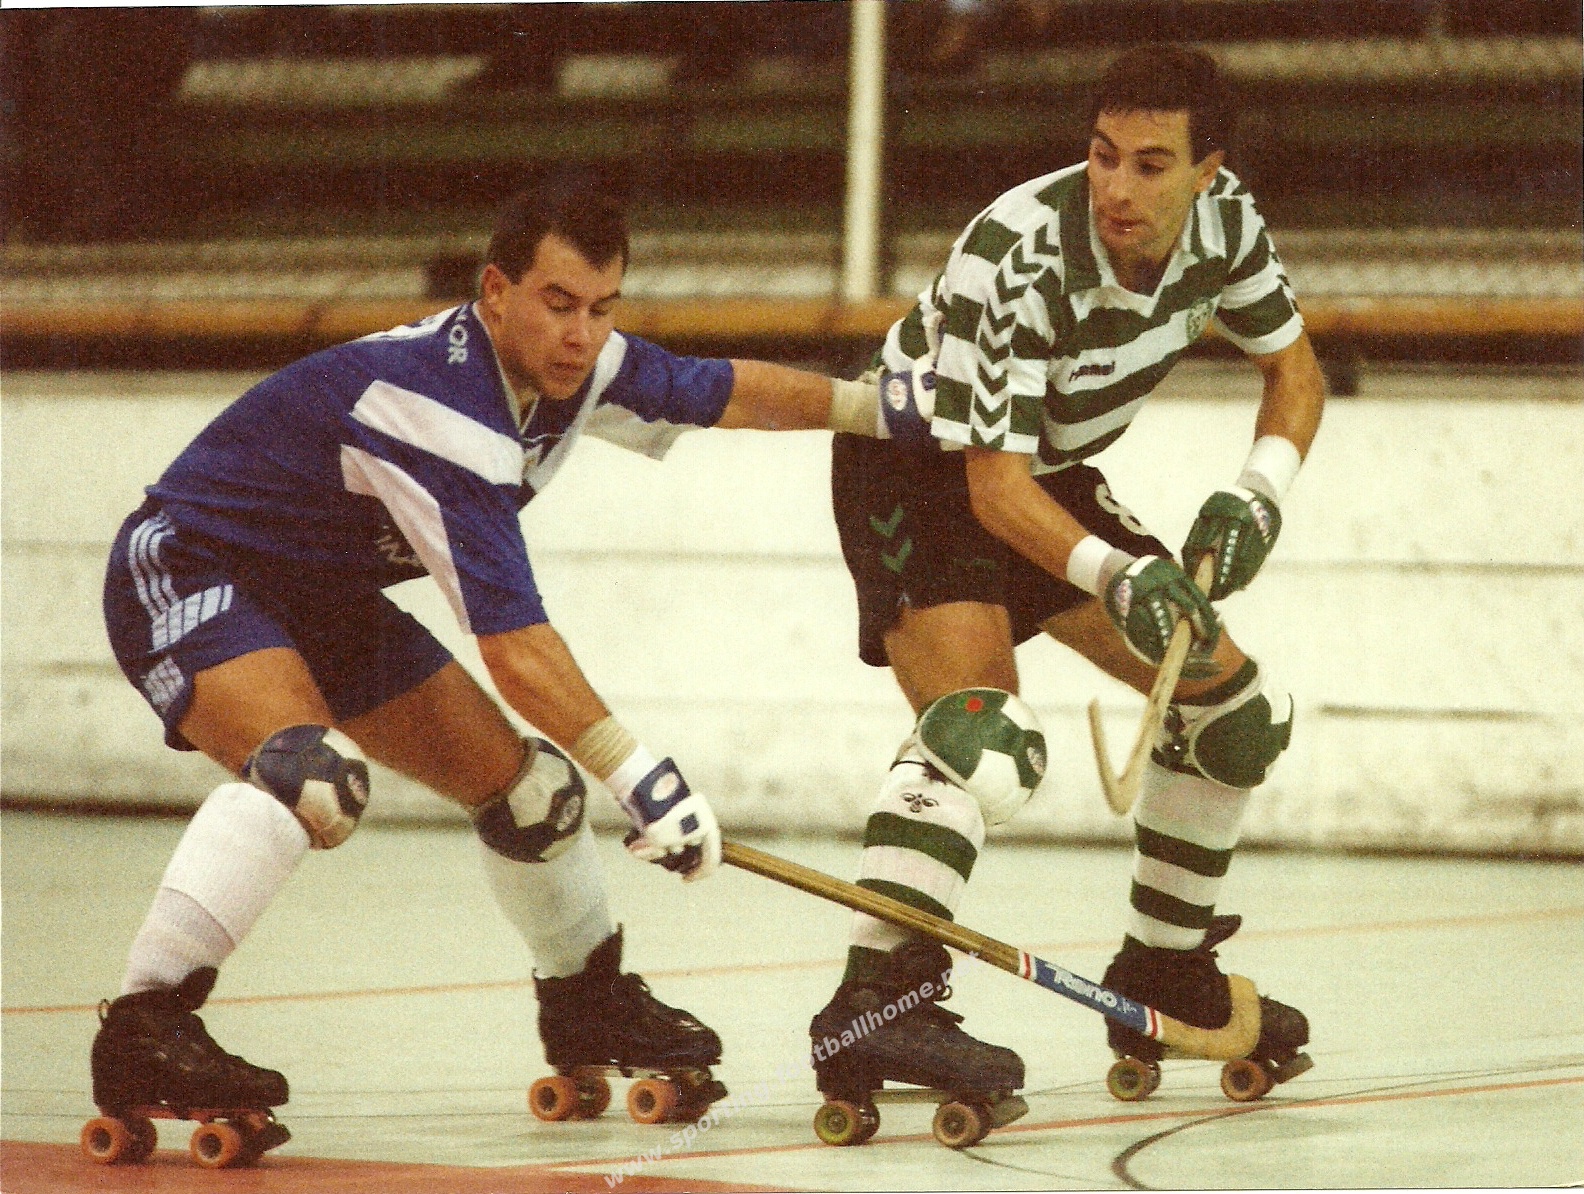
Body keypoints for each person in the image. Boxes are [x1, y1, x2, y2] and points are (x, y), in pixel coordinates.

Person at [90, 172, 900, 1139]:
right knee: (311, 777)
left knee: (532, 797)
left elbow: (720, 391)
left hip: (321, 599)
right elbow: (514, 646)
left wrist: (878, 409)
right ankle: (143, 1024)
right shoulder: (442, 408)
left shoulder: (576, 364)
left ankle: (585, 1002)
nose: (581, 335)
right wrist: (643, 778)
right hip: (192, 567)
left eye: (602, 308)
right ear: (495, 291)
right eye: (558, 304)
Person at [812, 43, 1325, 1106]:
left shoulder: (1230, 229)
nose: (1117, 188)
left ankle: (1162, 968)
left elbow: (1295, 370)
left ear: (1209, 173)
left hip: (1039, 470)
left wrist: (1257, 495)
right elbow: (990, 491)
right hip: (918, 470)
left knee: (1234, 713)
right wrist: (1119, 576)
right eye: (1102, 155)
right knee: (981, 733)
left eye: (1151, 164)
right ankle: (873, 1005)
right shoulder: (1018, 253)